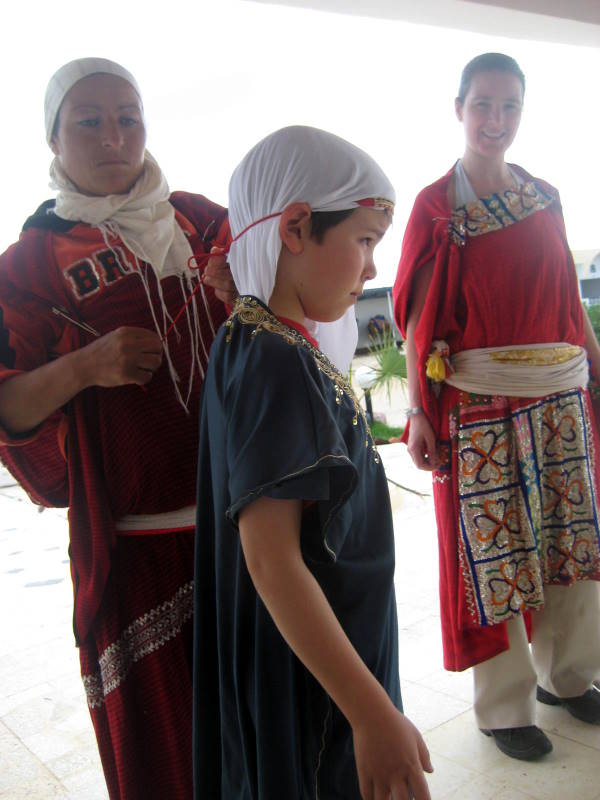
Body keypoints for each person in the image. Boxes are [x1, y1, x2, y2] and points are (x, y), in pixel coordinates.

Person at [0, 58, 234, 799]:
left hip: (248, 531)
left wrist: (247, 292)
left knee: (261, 738)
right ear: (54, 138)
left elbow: (289, 309)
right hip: (136, 556)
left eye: (128, 118)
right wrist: (85, 366)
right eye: (89, 121)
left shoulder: (203, 222)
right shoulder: (30, 263)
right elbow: (8, 409)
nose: (113, 136)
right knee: (170, 759)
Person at [193, 125, 433, 799]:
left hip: (325, 658)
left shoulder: (254, 339)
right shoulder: (275, 362)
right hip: (318, 691)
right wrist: (371, 714)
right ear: (295, 228)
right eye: (365, 240)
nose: (373, 268)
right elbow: (272, 561)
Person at [394, 52, 600, 762]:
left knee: (572, 541)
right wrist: (419, 409)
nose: (496, 119)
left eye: (510, 105)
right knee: (496, 552)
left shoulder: (545, 196)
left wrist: (595, 364)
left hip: (562, 397)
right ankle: (505, 707)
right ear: (459, 108)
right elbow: (417, 321)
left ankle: (568, 677)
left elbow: (568, 296)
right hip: (479, 402)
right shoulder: (435, 206)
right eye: (482, 104)